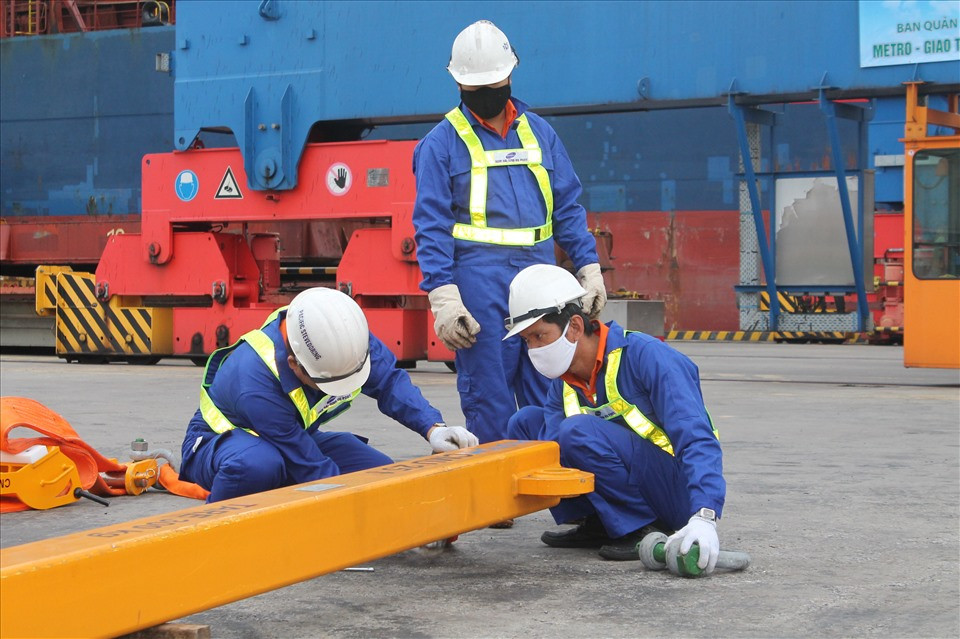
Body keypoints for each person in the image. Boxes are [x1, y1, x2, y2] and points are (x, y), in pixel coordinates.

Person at [412, 20, 606, 446]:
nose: (486, 91)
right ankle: (496, 492)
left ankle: (546, 477)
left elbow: (567, 206)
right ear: (459, 84)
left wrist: (589, 267)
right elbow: (431, 227)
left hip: (540, 274)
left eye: (493, 81)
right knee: (489, 392)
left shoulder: (541, 133)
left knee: (550, 381)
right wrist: (443, 297)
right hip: (479, 281)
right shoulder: (440, 144)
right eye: (476, 84)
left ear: (510, 75)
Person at [502, 264, 726, 571]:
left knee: (576, 430)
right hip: (636, 484)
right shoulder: (563, 382)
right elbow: (553, 451)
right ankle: (600, 522)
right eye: (527, 341)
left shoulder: (648, 357)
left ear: (576, 327)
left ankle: (638, 528)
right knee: (525, 423)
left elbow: (697, 436)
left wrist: (705, 515)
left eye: (540, 336)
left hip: (677, 491)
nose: (534, 349)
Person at [179, 287, 477, 503]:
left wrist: (433, 428)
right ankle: (223, 528)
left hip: (291, 441)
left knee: (382, 476)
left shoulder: (343, 336)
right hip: (222, 447)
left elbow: (388, 382)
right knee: (260, 466)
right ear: (294, 364)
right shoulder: (254, 380)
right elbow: (313, 466)